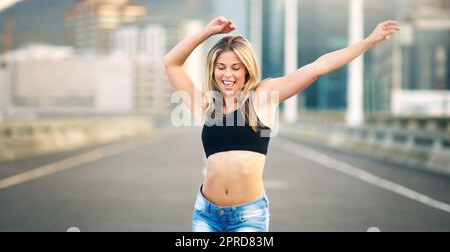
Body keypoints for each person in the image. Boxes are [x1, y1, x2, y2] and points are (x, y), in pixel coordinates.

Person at [162, 16, 400, 232]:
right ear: (212, 70)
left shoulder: (263, 96)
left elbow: (318, 68)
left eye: (236, 68)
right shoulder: (205, 104)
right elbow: (171, 63)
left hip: (249, 217)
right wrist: (207, 32)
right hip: (206, 214)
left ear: (247, 69)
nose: (228, 75)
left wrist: (368, 42)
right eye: (221, 67)